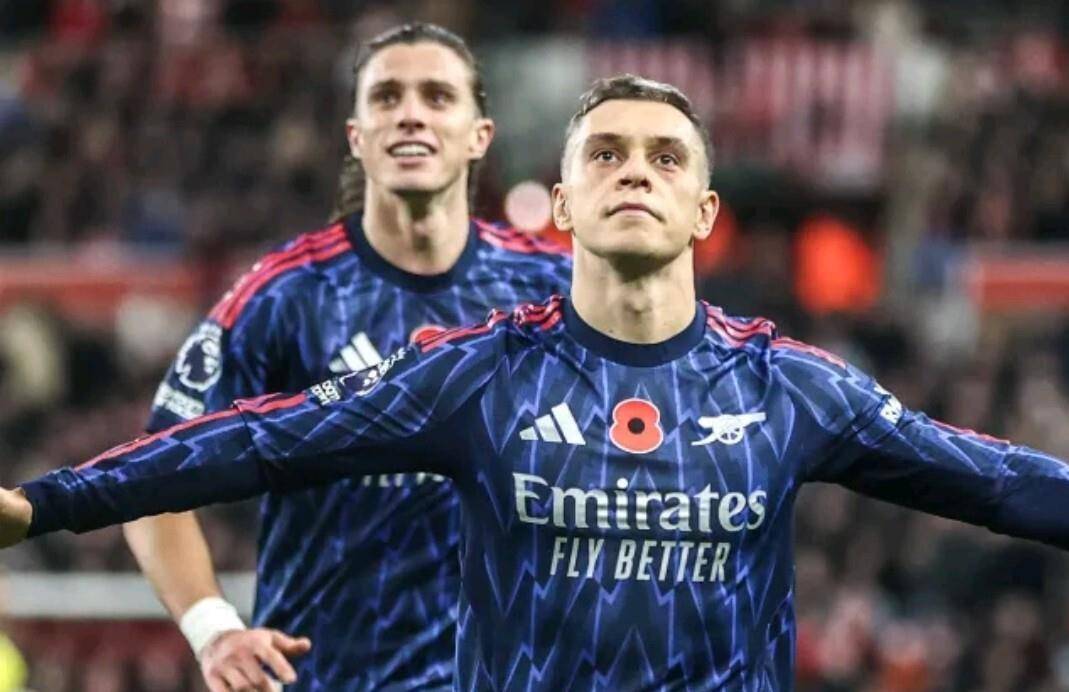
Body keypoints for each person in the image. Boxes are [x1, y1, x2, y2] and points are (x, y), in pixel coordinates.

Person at [5, 74, 1069, 691]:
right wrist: (49, 504)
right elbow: (254, 437)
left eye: (665, 157)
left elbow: (991, 479)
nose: (635, 170)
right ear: (560, 205)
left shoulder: (789, 388)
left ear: (704, 212)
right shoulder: (479, 376)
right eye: (604, 154)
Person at [118, 22, 570, 692]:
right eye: (387, 96)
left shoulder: (556, 291)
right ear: (356, 136)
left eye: (437, 96)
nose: (410, 113)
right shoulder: (286, 293)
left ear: (480, 135)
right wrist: (213, 629)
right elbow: (149, 482)